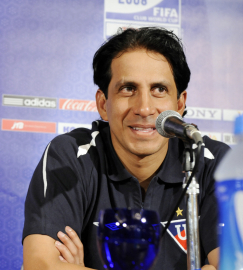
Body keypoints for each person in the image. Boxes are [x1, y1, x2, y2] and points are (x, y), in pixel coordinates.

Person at [22, 27, 229, 270]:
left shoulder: (213, 162)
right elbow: (40, 264)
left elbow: (232, 264)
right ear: (102, 104)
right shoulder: (71, 155)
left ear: (180, 104)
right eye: (128, 88)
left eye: (159, 90)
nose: (144, 108)